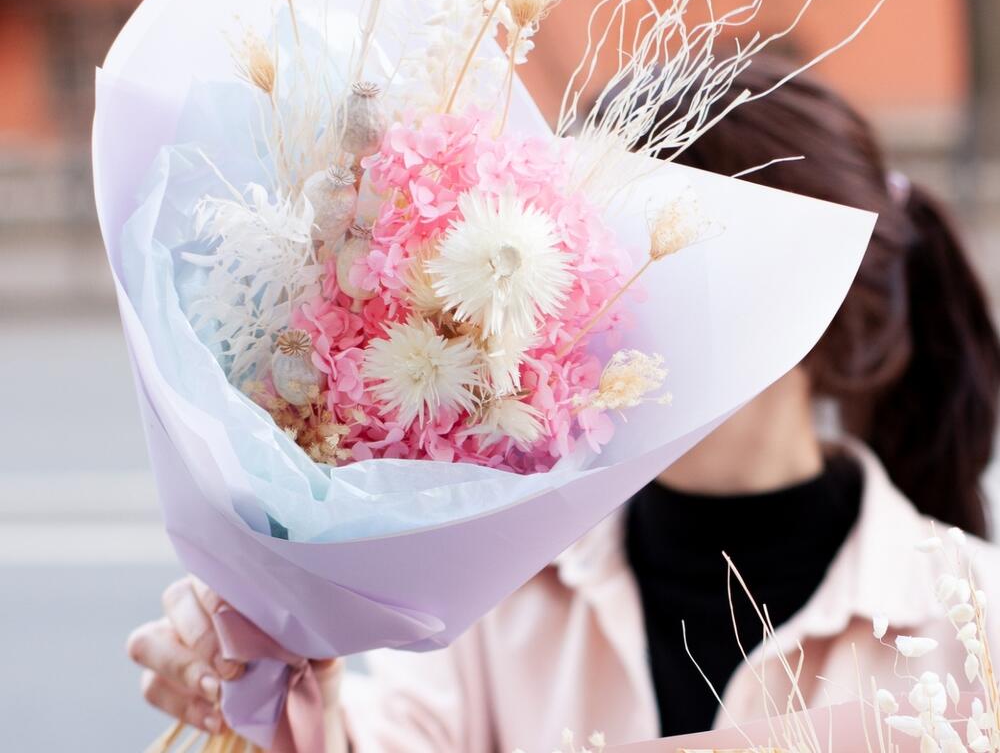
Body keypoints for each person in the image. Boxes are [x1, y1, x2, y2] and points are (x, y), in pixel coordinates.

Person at [126, 61, 1000, 751]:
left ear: (812, 304)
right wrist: (270, 679)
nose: (596, 310)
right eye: (584, 259)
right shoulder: (499, 585)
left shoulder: (976, 620)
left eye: (654, 261)